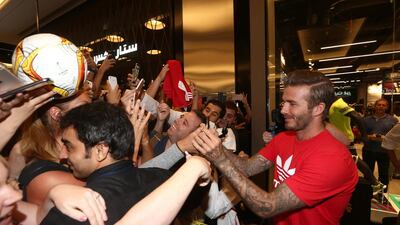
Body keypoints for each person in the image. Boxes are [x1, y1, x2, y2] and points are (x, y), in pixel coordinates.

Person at [192, 70, 359, 225]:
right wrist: (215, 146)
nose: (283, 110)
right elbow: (248, 167)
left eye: (292, 104)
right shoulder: (285, 138)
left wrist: (221, 159)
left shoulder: (332, 160)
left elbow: (267, 206)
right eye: (284, 102)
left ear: (318, 109)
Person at [40, 101, 171, 225]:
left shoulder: (74, 214)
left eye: (69, 147)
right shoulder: (166, 180)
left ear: (100, 150)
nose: (62, 155)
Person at [329, 97, 385, 193]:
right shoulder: (333, 105)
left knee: (355, 159)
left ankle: (375, 183)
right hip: (338, 139)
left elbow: (357, 117)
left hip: (343, 140)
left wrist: (364, 135)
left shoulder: (338, 104)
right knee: (350, 161)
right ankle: (374, 184)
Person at [362, 98, 398, 188]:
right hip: (368, 150)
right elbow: (361, 135)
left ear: (387, 107)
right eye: (379, 105)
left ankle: (382, 196)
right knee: (367, 174)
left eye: (383, 105)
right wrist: (370, 137)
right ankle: (367, 194)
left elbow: (396, 139)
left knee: (384, 175)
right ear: (375, 106)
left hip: (385, 152)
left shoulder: (393, 120)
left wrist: (384, 138)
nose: (381, 107)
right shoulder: (366, 120)